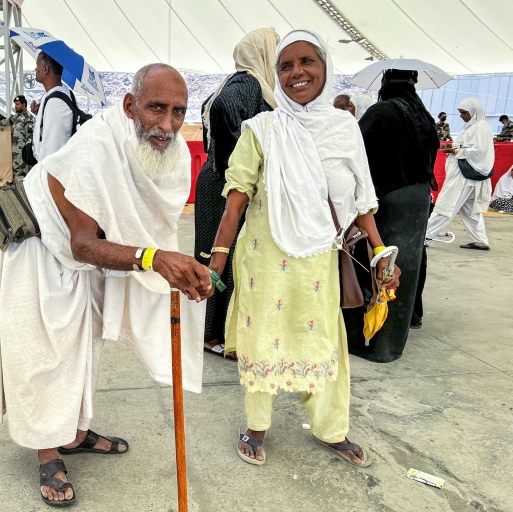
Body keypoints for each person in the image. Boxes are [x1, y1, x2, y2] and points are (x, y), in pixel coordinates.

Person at [0, 64, 211, 507]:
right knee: (43, 351)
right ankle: (47, 450)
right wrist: (154, 260)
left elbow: (154, 228)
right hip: (39, 248)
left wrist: (177, 266)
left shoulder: (172, 154)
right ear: (130, 106)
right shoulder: (97, 145)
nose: (167, 125)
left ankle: (73, 432)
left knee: (82, 347)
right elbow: (84, 243)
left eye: (178, 112)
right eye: (156, 109)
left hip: (83, 261)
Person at [210, 31, 397, 467]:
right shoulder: (262, 129)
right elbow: (235, 198)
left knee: (325, 344)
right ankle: (256, 427)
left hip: (318, 261)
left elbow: (362, 200)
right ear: (275, 75)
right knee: (264, 341)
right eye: (286, 66)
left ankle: (332, 430)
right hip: (264, 260)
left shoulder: (344, 128)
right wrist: (214, 264)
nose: (297, 73)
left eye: (306, 61)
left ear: (325, 67)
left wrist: (380, 252)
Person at [194, 28, 278, 358]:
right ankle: (216, 336)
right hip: (225, 184)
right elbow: (222, 110)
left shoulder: (233, 81)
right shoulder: (247, 83)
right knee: (224, 255)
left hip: (218, 180)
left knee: (215, 253)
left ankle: (211, 331)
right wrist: (232, 163)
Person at [346, 69, 439, 363]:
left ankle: (377, 345)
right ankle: (397, 337)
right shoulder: (423, 115)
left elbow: (356, 150)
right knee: (406, 269)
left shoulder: (382, 111)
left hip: (389, 199)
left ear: (386, 84)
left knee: (381, 267)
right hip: (418, 199)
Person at [426, 98, 494, 250]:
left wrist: (455, 150)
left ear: (474, 112)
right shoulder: (472, 126)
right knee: (470, 210)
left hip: (465, 175)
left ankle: (425, 236)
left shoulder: (481, 127)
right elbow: (468, 146)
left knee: (446, 205)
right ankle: (480, 240)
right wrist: (455, 147)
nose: (462, 116)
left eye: (464, 113)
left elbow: (478, 151)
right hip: (467, 174)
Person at [32, 51, 76, 163]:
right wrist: (41, 114)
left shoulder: (56, 103)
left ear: (45, 69)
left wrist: (41, 177)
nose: (35, 69)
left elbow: (52, 151)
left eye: (38, 66)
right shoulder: (62, 93)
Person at [0, 94, 35, 178]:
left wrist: (28, 155)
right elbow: (6, 122)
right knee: (17, 176)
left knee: (27, 176)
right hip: (16, 152)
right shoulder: (16, 117)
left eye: (17, 104)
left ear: (24, 105)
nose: (15, 106)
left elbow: (31, 137)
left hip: (24, 154)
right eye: (15, 104)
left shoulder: (29, 119)